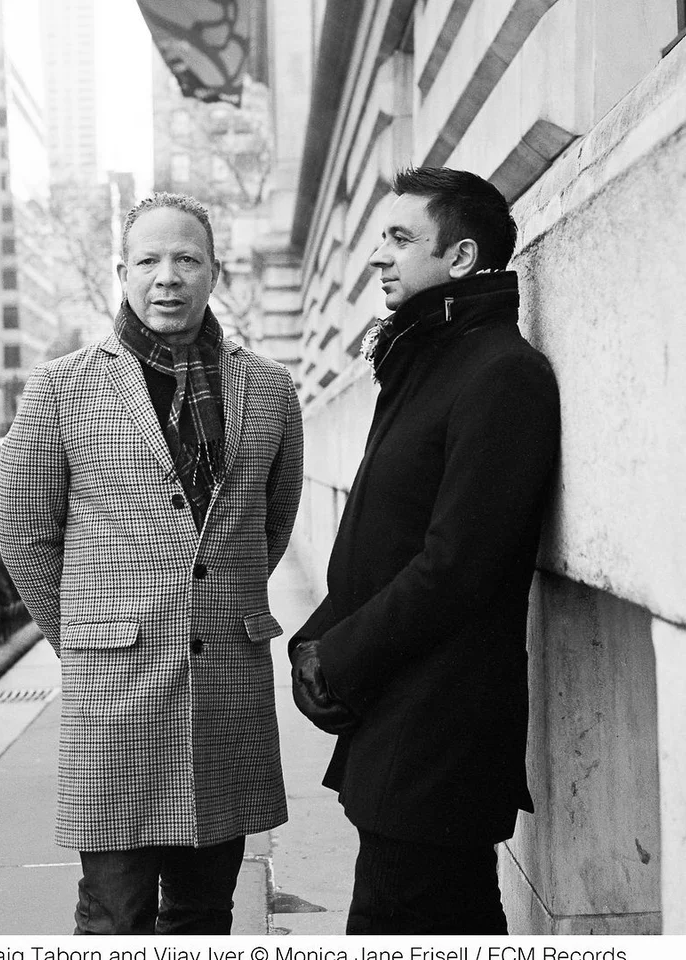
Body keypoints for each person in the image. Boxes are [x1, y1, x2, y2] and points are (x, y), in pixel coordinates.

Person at [0, 193, 303, 935]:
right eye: (149, 260)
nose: (168, 276)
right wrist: (87, 637)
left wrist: (209, 603)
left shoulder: (268, 389)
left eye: (187, 259)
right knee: (114, 913)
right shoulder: (61, 387)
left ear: (214, 272)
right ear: (123, 274)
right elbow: (26, 538)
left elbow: (272, 523)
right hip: (114, 694)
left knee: (206, 913)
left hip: (226, 684)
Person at [290, 167, 560, 934]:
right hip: (399, 718)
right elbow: (382, 538)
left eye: (402, 238)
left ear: (462, 258)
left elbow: (457, 567)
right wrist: (315, 638)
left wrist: (339, 657)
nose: (379, 254)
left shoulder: (502, 376)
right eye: (381, 236)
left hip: (442, 730)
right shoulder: (424, 364)